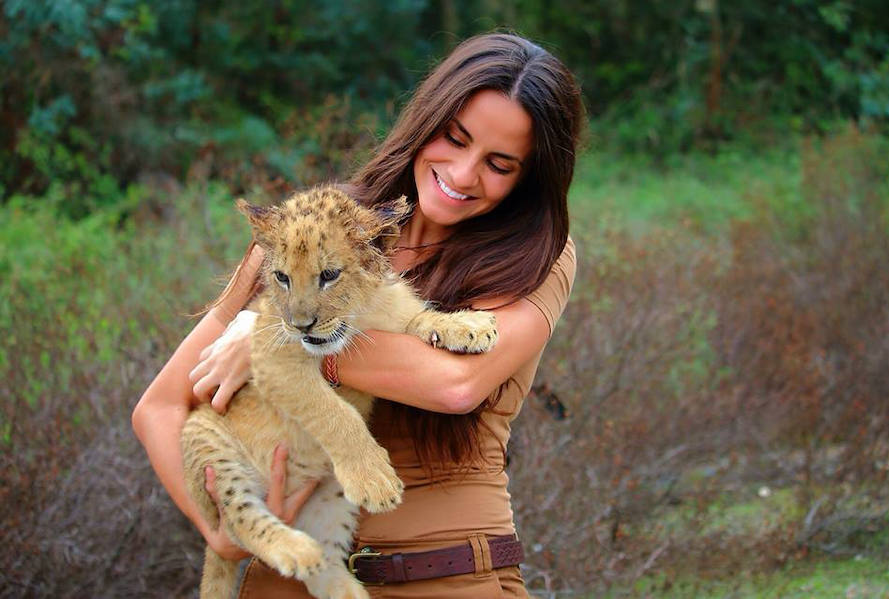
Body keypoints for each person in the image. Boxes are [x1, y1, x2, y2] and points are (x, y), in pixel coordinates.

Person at [132, 32, 580, 598]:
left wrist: (279, 346)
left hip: (452, 577)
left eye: (499, 163)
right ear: (426, 119)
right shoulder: (298, 236)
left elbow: (456, 382)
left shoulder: (536, 256)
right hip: (294, 579)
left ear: (528, 178)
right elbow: (161, 407)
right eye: (455, 138)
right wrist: (221, 535)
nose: (464, 174)